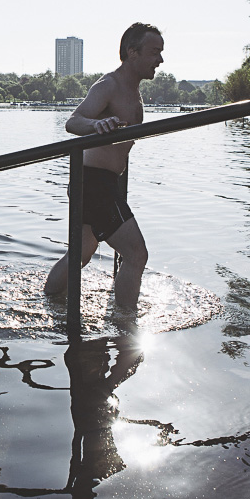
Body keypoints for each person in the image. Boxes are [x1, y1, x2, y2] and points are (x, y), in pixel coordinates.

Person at [44, 22, 165, 310]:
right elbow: (73, 121)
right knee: (136, 254)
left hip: (102, 183)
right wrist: (97, 124)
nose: (160, 60)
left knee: (83, 252)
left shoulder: (133, 90)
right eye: (154, 52)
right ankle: (125, 325)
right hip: (94, 183)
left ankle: (48, 301)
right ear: (132, 52)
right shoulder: (109, 85)